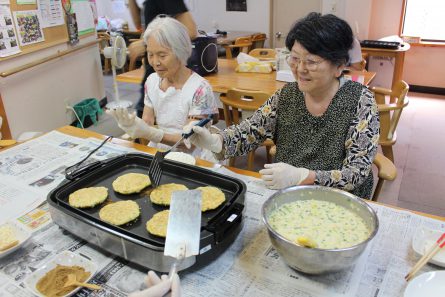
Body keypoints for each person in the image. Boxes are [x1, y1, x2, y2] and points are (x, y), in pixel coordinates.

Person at [184, 12, 380, 199]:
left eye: (311, 61)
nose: (300, 69)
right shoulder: (287, 95)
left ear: (339, 66)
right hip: (289, 194)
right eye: (294, 58)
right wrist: (217, 140)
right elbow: (251, 130)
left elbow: (356, 172)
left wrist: (306, 177)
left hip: (339, 200)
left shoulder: (360, 101)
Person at [107, 16, 218, 160]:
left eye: (162, 55)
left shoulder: (200, 89)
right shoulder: (152, 81)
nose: (155, 62)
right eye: (150, 54)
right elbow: (146, 122)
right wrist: (133, 125)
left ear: (180, 52)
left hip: (194, 157)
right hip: (161, 149)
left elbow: (189, 143)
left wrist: (151, 134)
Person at [128, 0, 198, 118]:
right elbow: (139, 24)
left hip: (171, 73)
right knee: (145, 120)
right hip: (154, 74)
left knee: (174, 125)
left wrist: (145, 44)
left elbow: (191, 31)